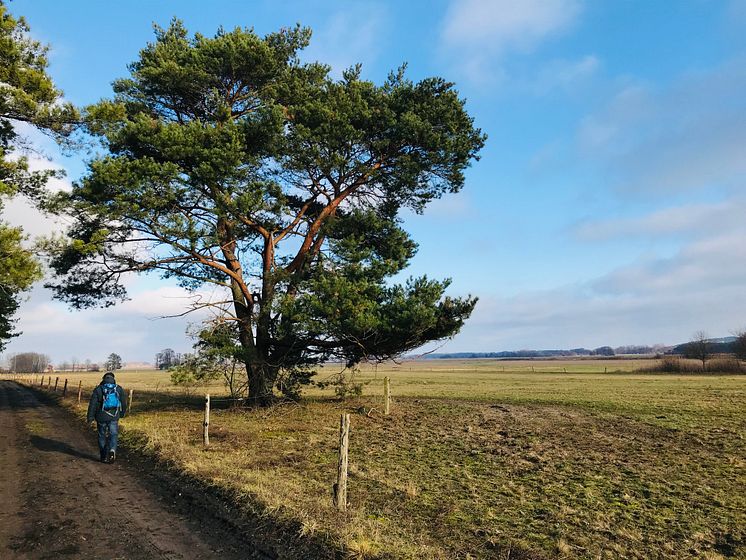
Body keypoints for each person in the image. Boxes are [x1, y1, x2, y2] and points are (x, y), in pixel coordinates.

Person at [87, 372, 127, 463]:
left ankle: (104, 456)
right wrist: (122, 413)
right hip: (114, 416)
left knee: (102, 435)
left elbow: (92, 404)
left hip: (101, 416)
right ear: (113, 379)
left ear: (103, 379)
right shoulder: (118, 389)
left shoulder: (98, 389)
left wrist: (90, 417)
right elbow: (123, 403)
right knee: (114, 434)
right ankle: (112, 450)